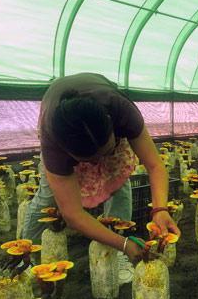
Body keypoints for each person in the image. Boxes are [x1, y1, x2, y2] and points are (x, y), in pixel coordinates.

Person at [22, 73, 180, 265]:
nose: (99, 164)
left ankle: (116, 252)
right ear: (69, 154)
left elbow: (155, 165)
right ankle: (24, 256)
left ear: (112, 127)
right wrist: (125, 244)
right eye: (91, 160)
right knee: (47, 196)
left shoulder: (121, 110)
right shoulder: (53, 141)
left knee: (119, 183)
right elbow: (72, 214)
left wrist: (160, 209)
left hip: (105, 118)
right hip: (60, 123)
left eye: (107, 150)